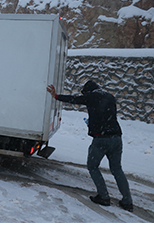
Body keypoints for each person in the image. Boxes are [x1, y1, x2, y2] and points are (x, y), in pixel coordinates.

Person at [47, 80, 133, 212]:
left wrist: (56, 96)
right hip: (116, 137)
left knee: (92, 166)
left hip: (101, 139)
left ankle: (104, 197)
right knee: (117, 169)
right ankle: (127, 201)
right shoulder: (110, 96)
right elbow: (104, 113)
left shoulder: (91, 96)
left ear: (88, 91)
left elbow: (74, 99)